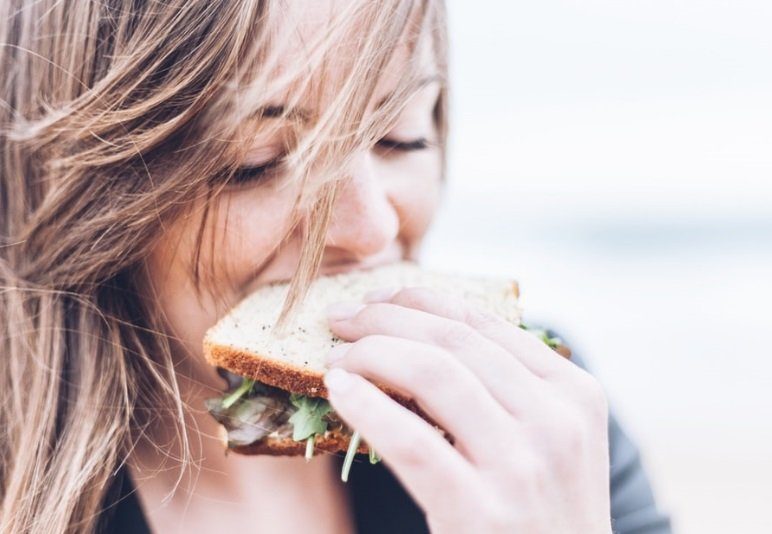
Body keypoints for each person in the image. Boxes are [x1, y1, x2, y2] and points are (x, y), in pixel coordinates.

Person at [0, 1, 671, 533]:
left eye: (401, 135)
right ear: (82, 195)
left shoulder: (535, 425)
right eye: (254, 161)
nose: (374, 226)